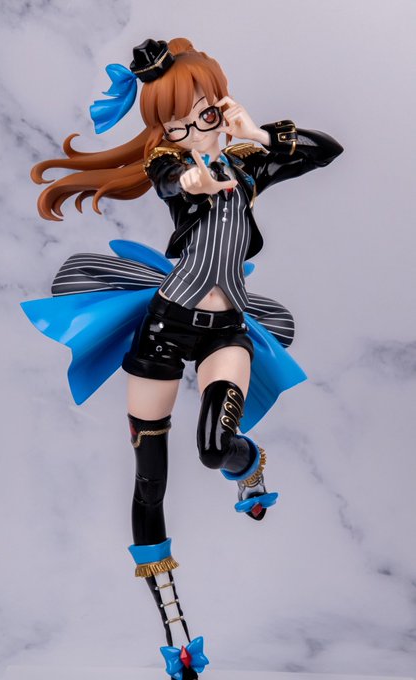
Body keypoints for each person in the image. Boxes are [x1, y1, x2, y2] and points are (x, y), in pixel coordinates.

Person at [24, 37, 343, 680]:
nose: (192, 130)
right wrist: (190, 173)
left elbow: (326, 149)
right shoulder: (173, 166)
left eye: (203, 114)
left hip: (226, 330)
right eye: (175, 124)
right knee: (149, 480)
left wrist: (259, 134)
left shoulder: (250, 167)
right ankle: (176, 630)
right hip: (164, 332)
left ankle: (249, 466)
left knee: (216, 447)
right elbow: (176, 176)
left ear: (221, 104)